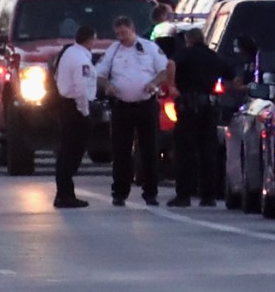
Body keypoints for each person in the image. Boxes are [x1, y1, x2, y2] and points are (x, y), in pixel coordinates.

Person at [94, 16, 170, 206]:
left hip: (146, 105)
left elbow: (164, 71)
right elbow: (100, 74)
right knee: (121, 151)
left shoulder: (149, 48)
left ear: (132, 29)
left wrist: (154, 83)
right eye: (118, 34)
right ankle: (119, 192)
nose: (121, 37)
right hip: (122, 106)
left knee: (149, 149)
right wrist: (108, 86)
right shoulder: (113, 50)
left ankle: (150, 192)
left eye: (124, 33)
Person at [167, 28, 222, 207]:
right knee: (208, 152)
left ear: (188, 40)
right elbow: (230, 76)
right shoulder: (213, 56)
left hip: (188, 107)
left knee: (184, 152)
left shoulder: (184, 53)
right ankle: (208, 196)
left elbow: (171, 64)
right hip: (209, 107)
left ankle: (184, 195)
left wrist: (172, 86)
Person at [52, 24, 99, 209]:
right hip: (76, 108)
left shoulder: (68, 53)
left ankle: (64, 193)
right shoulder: (82, 60)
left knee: (65, 151)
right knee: (73, 153)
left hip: (64, 105)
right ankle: (65, 194)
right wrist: (85, 111)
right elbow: (81, 88)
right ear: (90, 40)